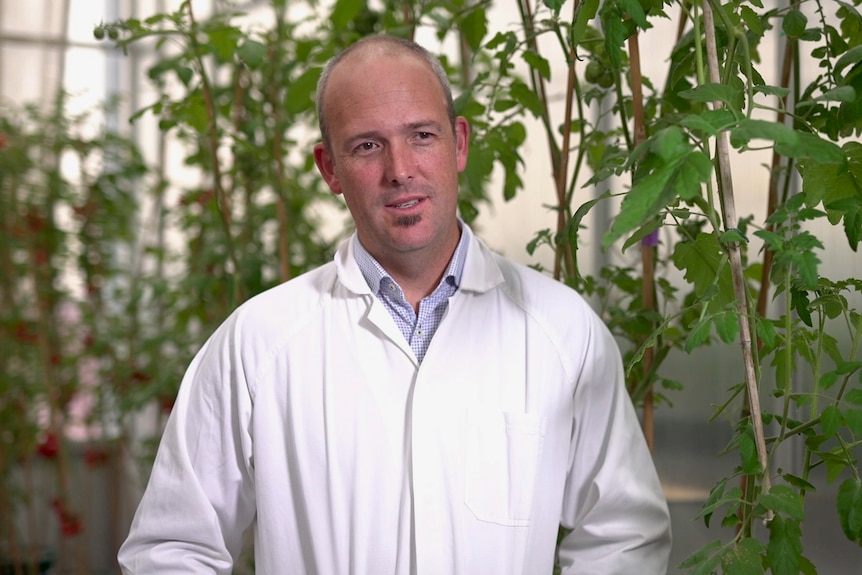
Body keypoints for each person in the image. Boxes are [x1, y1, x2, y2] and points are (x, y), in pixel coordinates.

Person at [118, 34, 672, 574]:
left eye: (421, 136)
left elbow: (624, 533)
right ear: (329, 168)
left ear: (458, 144)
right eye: (366, 145)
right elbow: (172, 547)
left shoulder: (562, 329)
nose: (400, 169)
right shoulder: (259, 341)